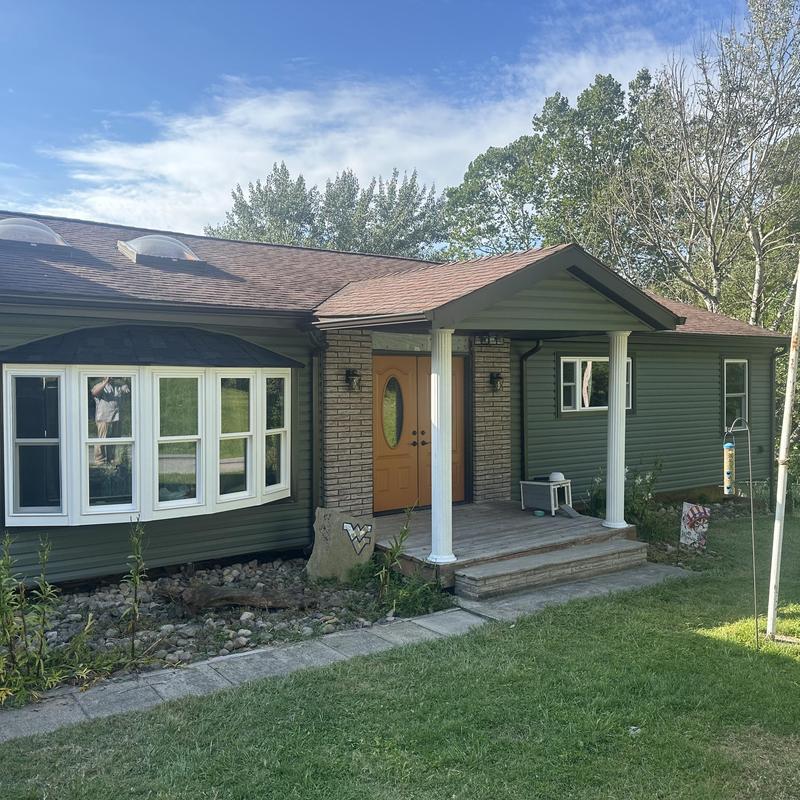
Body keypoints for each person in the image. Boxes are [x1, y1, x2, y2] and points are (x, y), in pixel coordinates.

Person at [91, 377, 130, 465]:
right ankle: (99, 460)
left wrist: (124, 381)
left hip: (116, 417)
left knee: (114, 439)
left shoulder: (118, 385)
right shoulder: (99, 385)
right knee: (102, 439)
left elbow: (127, 391)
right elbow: (94, 392)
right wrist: (105, 382)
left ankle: (111, 458)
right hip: (103, 417)